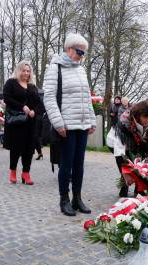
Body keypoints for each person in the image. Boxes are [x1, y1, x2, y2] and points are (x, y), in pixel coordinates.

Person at [44, 33, 97, 216]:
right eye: (79, 51)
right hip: (66, 126)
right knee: (66, 164)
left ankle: (77, 198)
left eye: (84, 53)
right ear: (68, 49)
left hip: (82, 125)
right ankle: (64, 199)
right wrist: (58, 123)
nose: (82, 56)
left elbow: (87, 98)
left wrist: (92, 120)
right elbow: (49, 98)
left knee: (79, 164)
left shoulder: (81, 69)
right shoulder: (54, 68)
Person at [3, 60, 41, 185]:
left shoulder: (32, 86)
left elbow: (39, 103)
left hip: (30, 122)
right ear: (19, 71)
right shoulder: (11, 83)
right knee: (16, 147)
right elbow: (7, 98)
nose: (26, 73)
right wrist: (22, 107)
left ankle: (26, 173)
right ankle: (13, 171)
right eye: (24, 70)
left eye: (28, 71)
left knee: (29, 149)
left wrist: (34, 111)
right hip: (16, 121)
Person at [114, 100, 148, 197]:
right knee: (127, 163)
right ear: (138, 115)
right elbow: (119, 152)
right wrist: (125, 172)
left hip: (140, 142)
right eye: (145, 117)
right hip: (122, 143)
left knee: (141, 162)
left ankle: (139, 188)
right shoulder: (124, 123)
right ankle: (124, 185)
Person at [34, 89, 46, 160]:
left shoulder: (36, 100)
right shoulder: (42, 99)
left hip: (36, 119)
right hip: (41, 118)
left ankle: (39, 152)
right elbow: (44, 109)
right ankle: (39, 152)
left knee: (35, 136)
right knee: (37, 136)